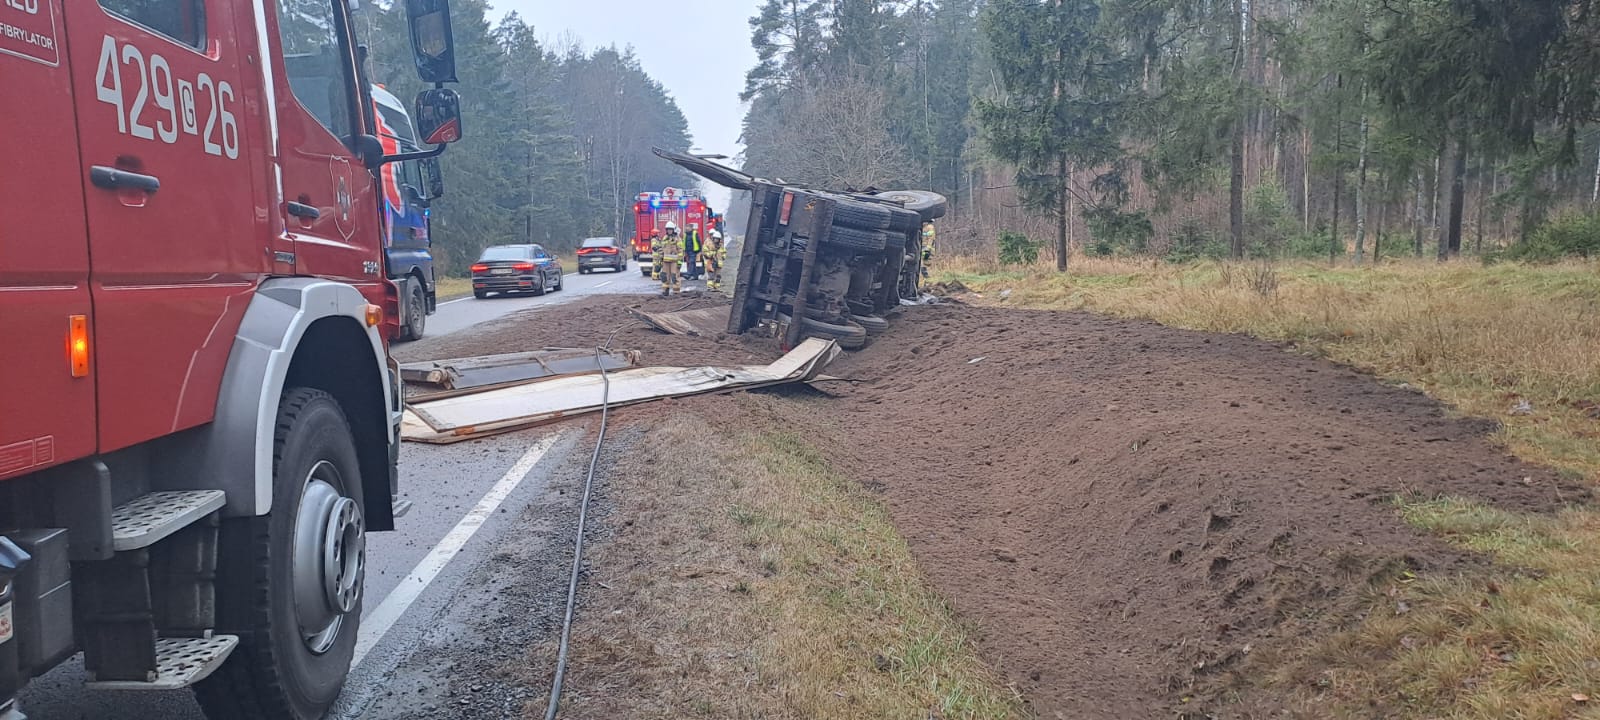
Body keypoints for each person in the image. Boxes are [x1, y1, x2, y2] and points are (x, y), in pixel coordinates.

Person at [656, 221, 685, 296]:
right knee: (665, 276)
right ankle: (665, 290)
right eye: (668, 229)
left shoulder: (677, 239)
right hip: (666, 261)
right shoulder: (665, 238)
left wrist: (679, 262)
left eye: (670, 229)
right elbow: (661, 249)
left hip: (674, 262)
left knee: (675, 276)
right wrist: (660, 261)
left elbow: (680, 250)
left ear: (673, 230)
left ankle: (676, 291)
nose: (669, 231)